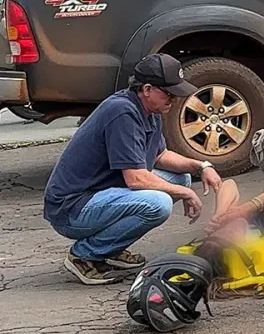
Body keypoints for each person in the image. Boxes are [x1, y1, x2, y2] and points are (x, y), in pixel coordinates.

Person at [43, 54, 224, 285]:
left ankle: (111, 248)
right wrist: (187, 194)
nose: (175, 99)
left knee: (180, 178)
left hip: (101, 195)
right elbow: (135, 179)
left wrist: (202, 166)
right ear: (147, 89)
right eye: (169, 93)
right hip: (72, 208)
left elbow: (160, 156)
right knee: (159, 203)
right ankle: (84, 255)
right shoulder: (122, 112)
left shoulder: (149, 111)